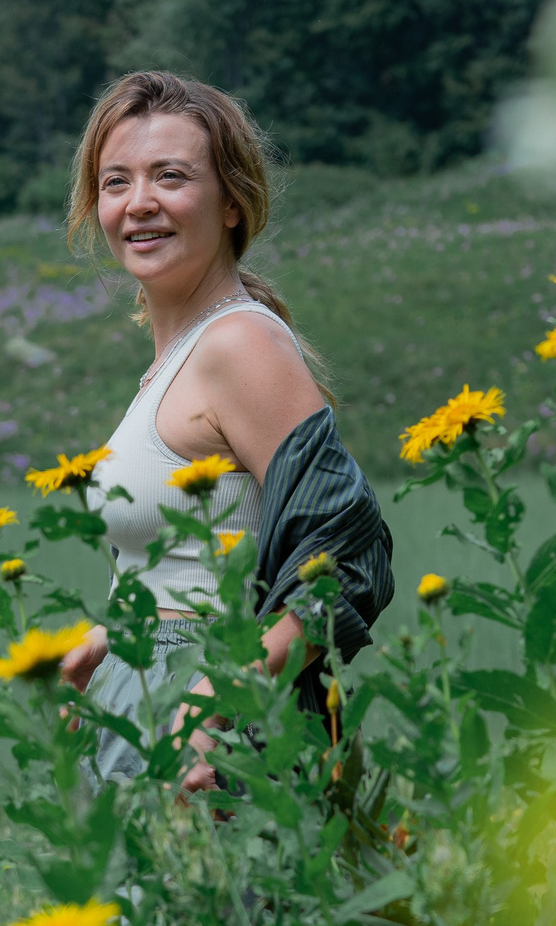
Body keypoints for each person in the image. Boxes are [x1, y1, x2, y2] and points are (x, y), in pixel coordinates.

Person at [53, 70, 393, 785]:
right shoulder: (177, 360)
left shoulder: (238, 345)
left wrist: (224, 699)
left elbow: (352, 560)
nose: (139, 202)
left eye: (169, 176)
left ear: (232, 202)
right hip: (150, 700)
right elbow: (200, 569)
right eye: (116, 181)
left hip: (210, 726)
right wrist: (110, 640)